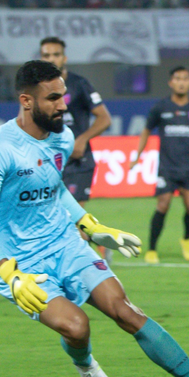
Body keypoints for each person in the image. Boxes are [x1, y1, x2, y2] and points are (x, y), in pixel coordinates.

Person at [0, 60, 189, 377]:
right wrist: (9, 272)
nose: (63, 106)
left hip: (66, 244)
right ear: (26, 101)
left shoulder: (63, 137)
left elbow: (55, 188)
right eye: (53, 98)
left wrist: (90, 225)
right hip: (22, 263)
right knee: (77, 327)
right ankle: (87, 366)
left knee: (126, 311)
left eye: (63, 96)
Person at [40, 37, 113, 262]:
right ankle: (98, 239)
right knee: (55, 219)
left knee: (72, 218)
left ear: (64, 58)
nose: (51, 59)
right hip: (51, 162)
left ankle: (86, 269)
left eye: (56, 55)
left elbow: (104, 118)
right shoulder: (37, 88)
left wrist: (81, 140)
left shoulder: (79, 84)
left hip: (79, 162)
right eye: (46, 55)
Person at [130, 66, 189, 264]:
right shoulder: (161, 107)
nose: (181, 82)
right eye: (177, 78)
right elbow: (146, 131)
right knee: (163, 204)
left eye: (185, 78)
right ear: (171, 83)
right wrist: (137, 155)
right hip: (167, 167)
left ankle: (186, 239)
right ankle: (152, 249)